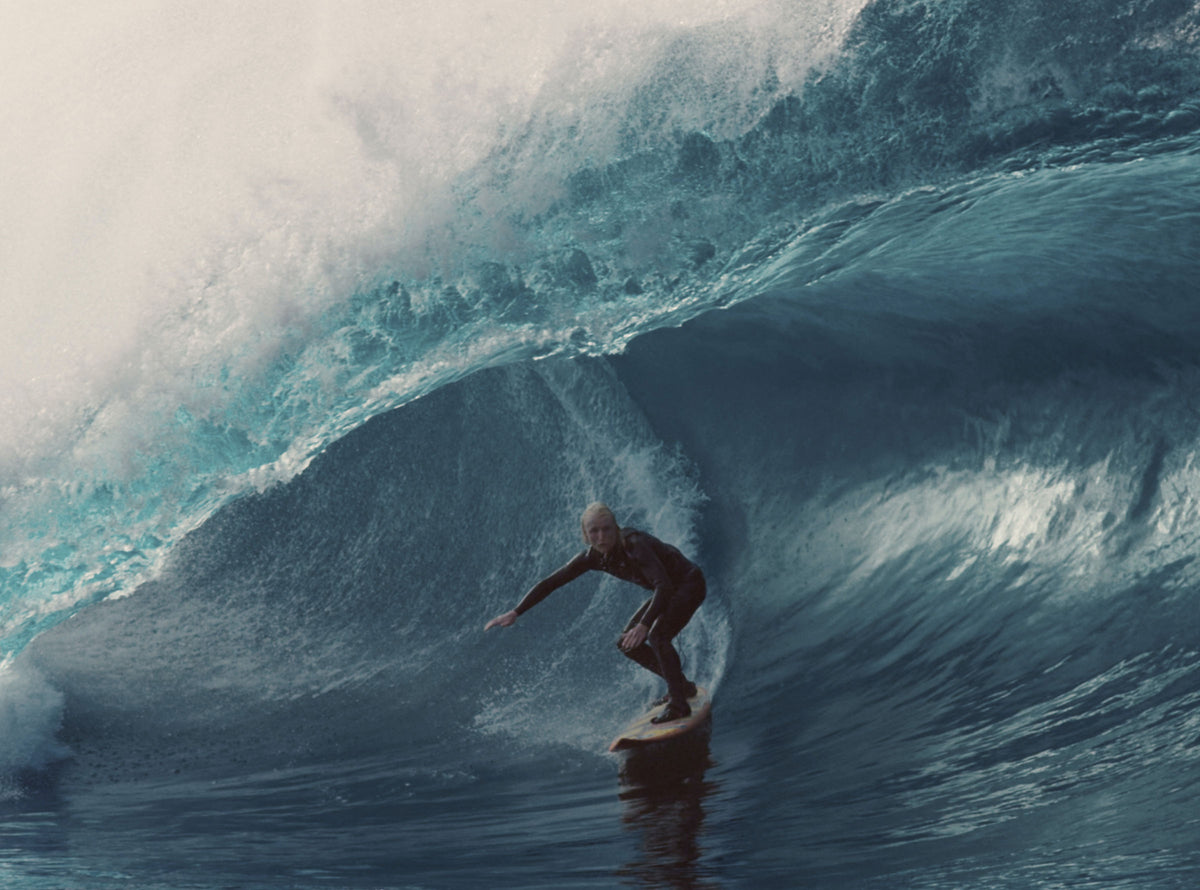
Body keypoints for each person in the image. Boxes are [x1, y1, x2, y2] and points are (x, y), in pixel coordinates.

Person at [484, 502, 706, 722]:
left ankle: (678, 705)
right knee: (626, 643)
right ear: (585, 534)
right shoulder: (593, 557)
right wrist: (516, 611)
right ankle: (682, 687)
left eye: (607, 529)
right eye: (594, 531)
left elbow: (663, 585)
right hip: (668, 590)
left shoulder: (634, 544)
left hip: (688, 584)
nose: (602, 536)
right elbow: (552, 582)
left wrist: (644, 624)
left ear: (616, 528)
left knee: (657, 636)